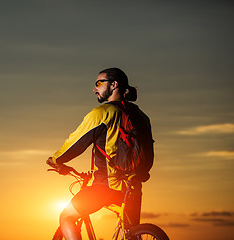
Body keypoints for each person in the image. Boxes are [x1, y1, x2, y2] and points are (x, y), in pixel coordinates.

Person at [46, 67, 154, 240]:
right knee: (131, 234)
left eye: (98, 83)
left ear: (113, 85)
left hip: (106, 187)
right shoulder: (141, 116)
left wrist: (57, 160)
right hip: (133, 187)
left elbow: (75, 143)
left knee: (66, 217)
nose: (94, 89)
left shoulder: (103, 113)